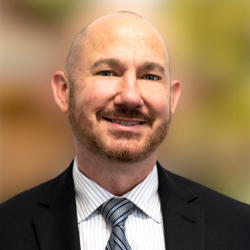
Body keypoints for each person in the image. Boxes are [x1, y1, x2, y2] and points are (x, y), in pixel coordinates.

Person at [0, 11, 250, 250]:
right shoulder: (7, 230)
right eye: (107, 72)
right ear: (64, 91)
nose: (130, 96)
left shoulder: (239, 229)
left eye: (150, 76)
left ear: (172, 98)